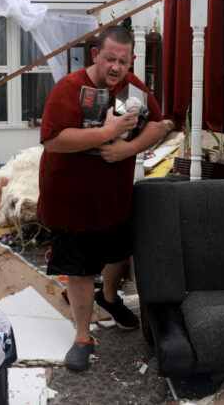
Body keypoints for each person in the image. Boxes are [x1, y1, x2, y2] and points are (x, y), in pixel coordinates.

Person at [37, 25, 166, 371]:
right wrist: (106, 133)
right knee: (79, 267)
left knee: (117, 253)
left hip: (113, 198)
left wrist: (130, 148)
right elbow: (52, 139)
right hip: (72, 202)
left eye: (123, 61)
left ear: (132, 61)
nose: (115, 67)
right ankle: (83, 336)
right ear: (95, 55)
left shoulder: (135, 89)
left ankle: (109, 298)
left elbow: (160, 124)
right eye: (109, 58)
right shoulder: (69, 88)